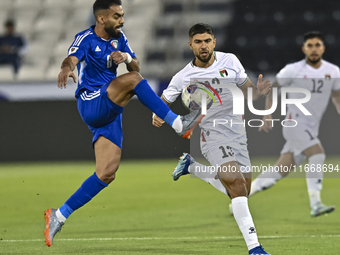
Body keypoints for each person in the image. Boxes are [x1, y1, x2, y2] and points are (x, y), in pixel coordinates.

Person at [44, 0, 194, 247]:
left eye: (122, 15)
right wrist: (65, 68)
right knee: (134, 80)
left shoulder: (119, 37)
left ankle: (58, 216)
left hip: (110, 110)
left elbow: (135, 64)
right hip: (92, 101)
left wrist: (125, 56)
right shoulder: (86, 38)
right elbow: (71, 58)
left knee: (106, 173)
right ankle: (178, 124)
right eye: (117, 16)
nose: (122, 20)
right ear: (102, 18)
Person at [152, 23, 271, 255]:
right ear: (190, 45)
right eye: (198, 42)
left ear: (214, 42)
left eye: (207, 41)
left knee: (241, 191)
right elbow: (161, 100)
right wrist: (157, 114)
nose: (203, 46)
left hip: (238, 133)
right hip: (211, 137)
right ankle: (255, 248)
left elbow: (249, 91)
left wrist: (259, 91)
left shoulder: (231, 61)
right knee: (236, 187)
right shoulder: (183, 77)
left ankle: (192, 167)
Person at [245, 31, 340, 217]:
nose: (314, 49)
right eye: (310, 45)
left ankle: (241, 197)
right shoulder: (293, 70)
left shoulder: (333, 71)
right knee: (317, 154)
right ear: (304, 48)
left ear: (323, 48)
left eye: (317, 45)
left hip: (310, 128)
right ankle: (316, 203)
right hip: (294, 123)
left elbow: (337, 97)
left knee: (280, 171)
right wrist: (267, 114)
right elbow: (272, 89)